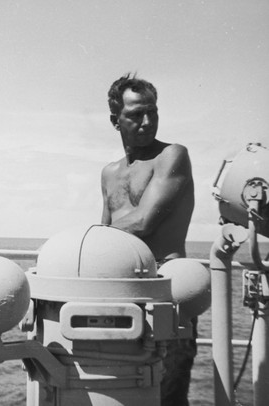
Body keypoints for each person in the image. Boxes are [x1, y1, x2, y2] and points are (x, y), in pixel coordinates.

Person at [100, 74, 195, 406]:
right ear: (116, 120)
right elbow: (107, 231)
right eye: (135, 114)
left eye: (152, 112)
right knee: (120, 394)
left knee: (166, 395)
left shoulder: (172, 156)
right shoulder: (109, 173)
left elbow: (144, 221)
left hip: (166, 296)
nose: (147, 121)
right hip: (123, 297)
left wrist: (79, 241)